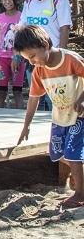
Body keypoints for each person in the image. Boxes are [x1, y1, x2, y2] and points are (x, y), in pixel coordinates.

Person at [14, 25, 84, 209]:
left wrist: (82, 99)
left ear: (44, 45)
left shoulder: (70, 60)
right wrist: (26, 125)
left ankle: (80, 195)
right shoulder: (39, 71)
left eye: (32, 57)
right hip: (59, 117)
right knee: (58, 153)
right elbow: (33, 98)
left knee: (73, 154)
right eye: (28, 59)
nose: (32, 62)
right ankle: (78, 176)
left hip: (79, 117)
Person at [20, 0, 72, 111]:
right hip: (33, 60)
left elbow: (65, 27)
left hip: (51, 58)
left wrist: (61, 56)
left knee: (55, 101)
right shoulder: (29, 0)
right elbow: (22, 27)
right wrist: (18, 54)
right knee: (36, 100)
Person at [0, 0, 25, 109]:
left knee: (17, 91)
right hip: (1, 58)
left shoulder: (22, 17)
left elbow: (25, 39)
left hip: (18, 58)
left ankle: (20, 119)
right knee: (1, 91)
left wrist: (20, 55)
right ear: (1, 0)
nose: (7, 2)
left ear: (16, 0)